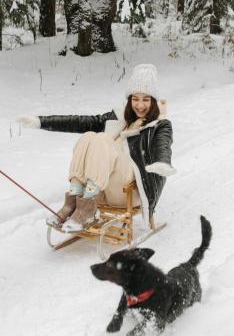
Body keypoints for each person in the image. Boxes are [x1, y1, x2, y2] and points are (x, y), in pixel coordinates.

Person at [17, 64, 176, 232]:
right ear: (129, 100)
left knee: (101, 139)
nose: (140, 105)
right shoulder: (118, 118)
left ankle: (88, 205)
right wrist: (41, 122)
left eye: (146, 99)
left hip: (130, 191)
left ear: (153, 101)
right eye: (135, 99)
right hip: (103, 189)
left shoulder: (160, 125)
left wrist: (163, 163)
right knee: (88, 136)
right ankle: (75, 199)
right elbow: (81, 122)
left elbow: (163, 145)